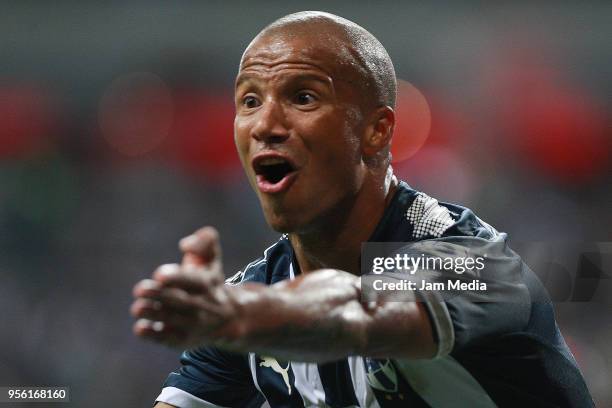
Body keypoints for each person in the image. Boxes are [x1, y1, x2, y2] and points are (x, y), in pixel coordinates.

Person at [130, 11, 593, 408]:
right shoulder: (249, 296)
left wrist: (240, 318)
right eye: (249, 100)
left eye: (303, 97)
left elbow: (358, 308)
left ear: (376, 131)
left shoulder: (476, 263)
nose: (265, 124)